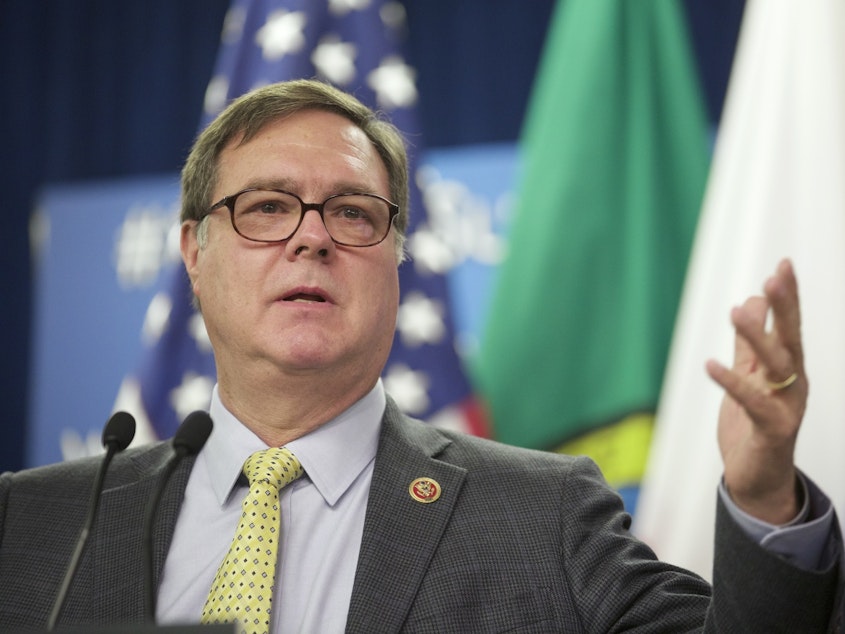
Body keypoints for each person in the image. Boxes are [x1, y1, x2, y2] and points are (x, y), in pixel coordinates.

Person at [0, 79, 841, 633]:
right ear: (193, 250)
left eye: (354, 214)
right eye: (265, 208)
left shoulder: (543, 515)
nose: (311, 239)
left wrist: (763, 494)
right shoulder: (33, 525)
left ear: (397, 256)